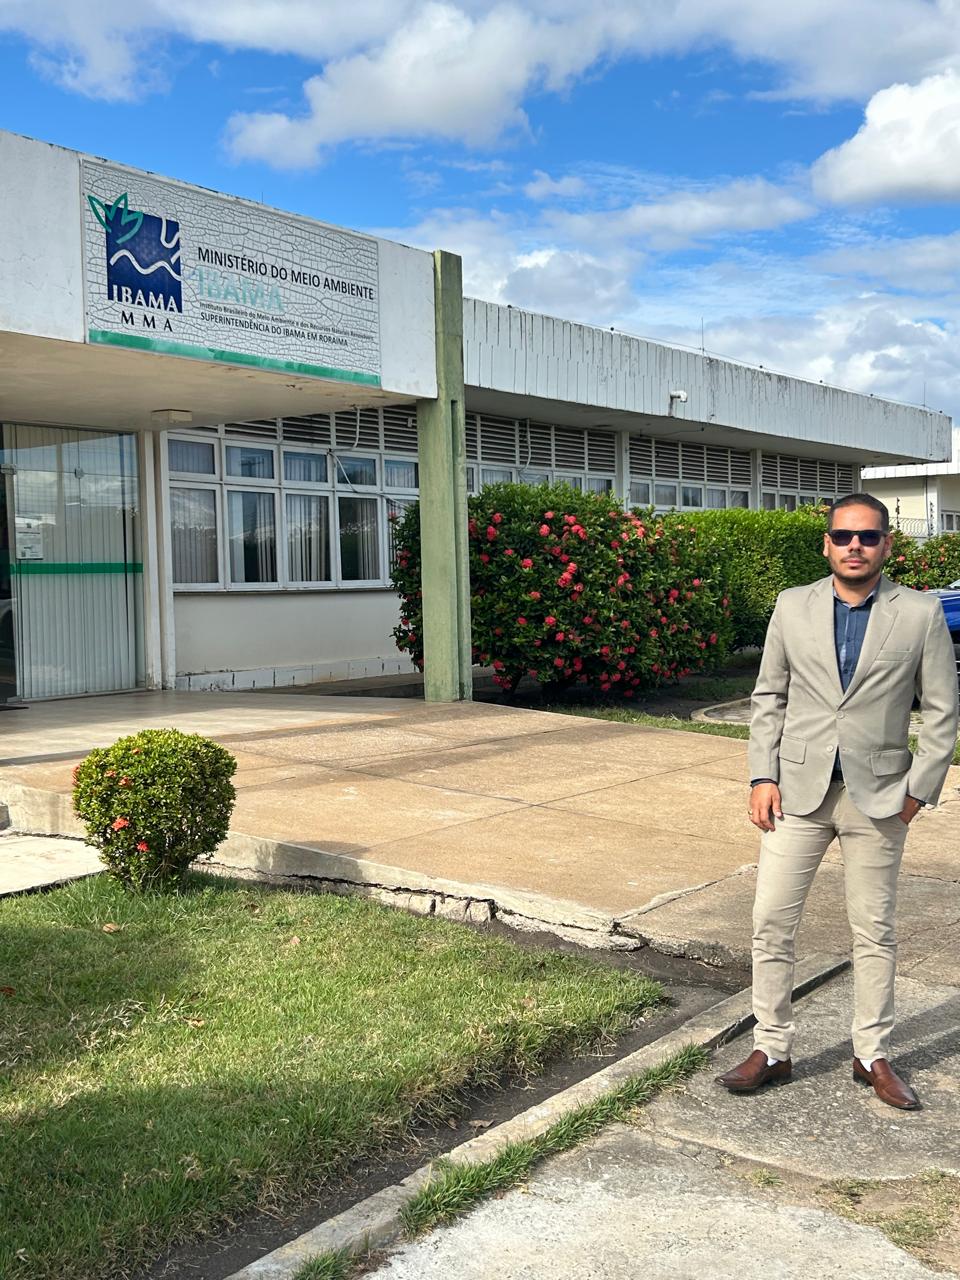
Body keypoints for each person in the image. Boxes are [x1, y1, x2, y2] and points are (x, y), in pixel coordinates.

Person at [717, 493, 958, 1109]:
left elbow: (941, 710)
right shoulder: (791, 605)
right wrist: (760, 776)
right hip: (796, 794)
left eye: (868, 536)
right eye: (845, 535)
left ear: (886, 544)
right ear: (827, 543)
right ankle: (772, 1048)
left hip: (880, 798)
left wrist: (918, 791)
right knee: (771, 922)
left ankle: (871, 1054)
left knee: (874, 931)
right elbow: (769, 696)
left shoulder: (920, 613)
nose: (856, 545)